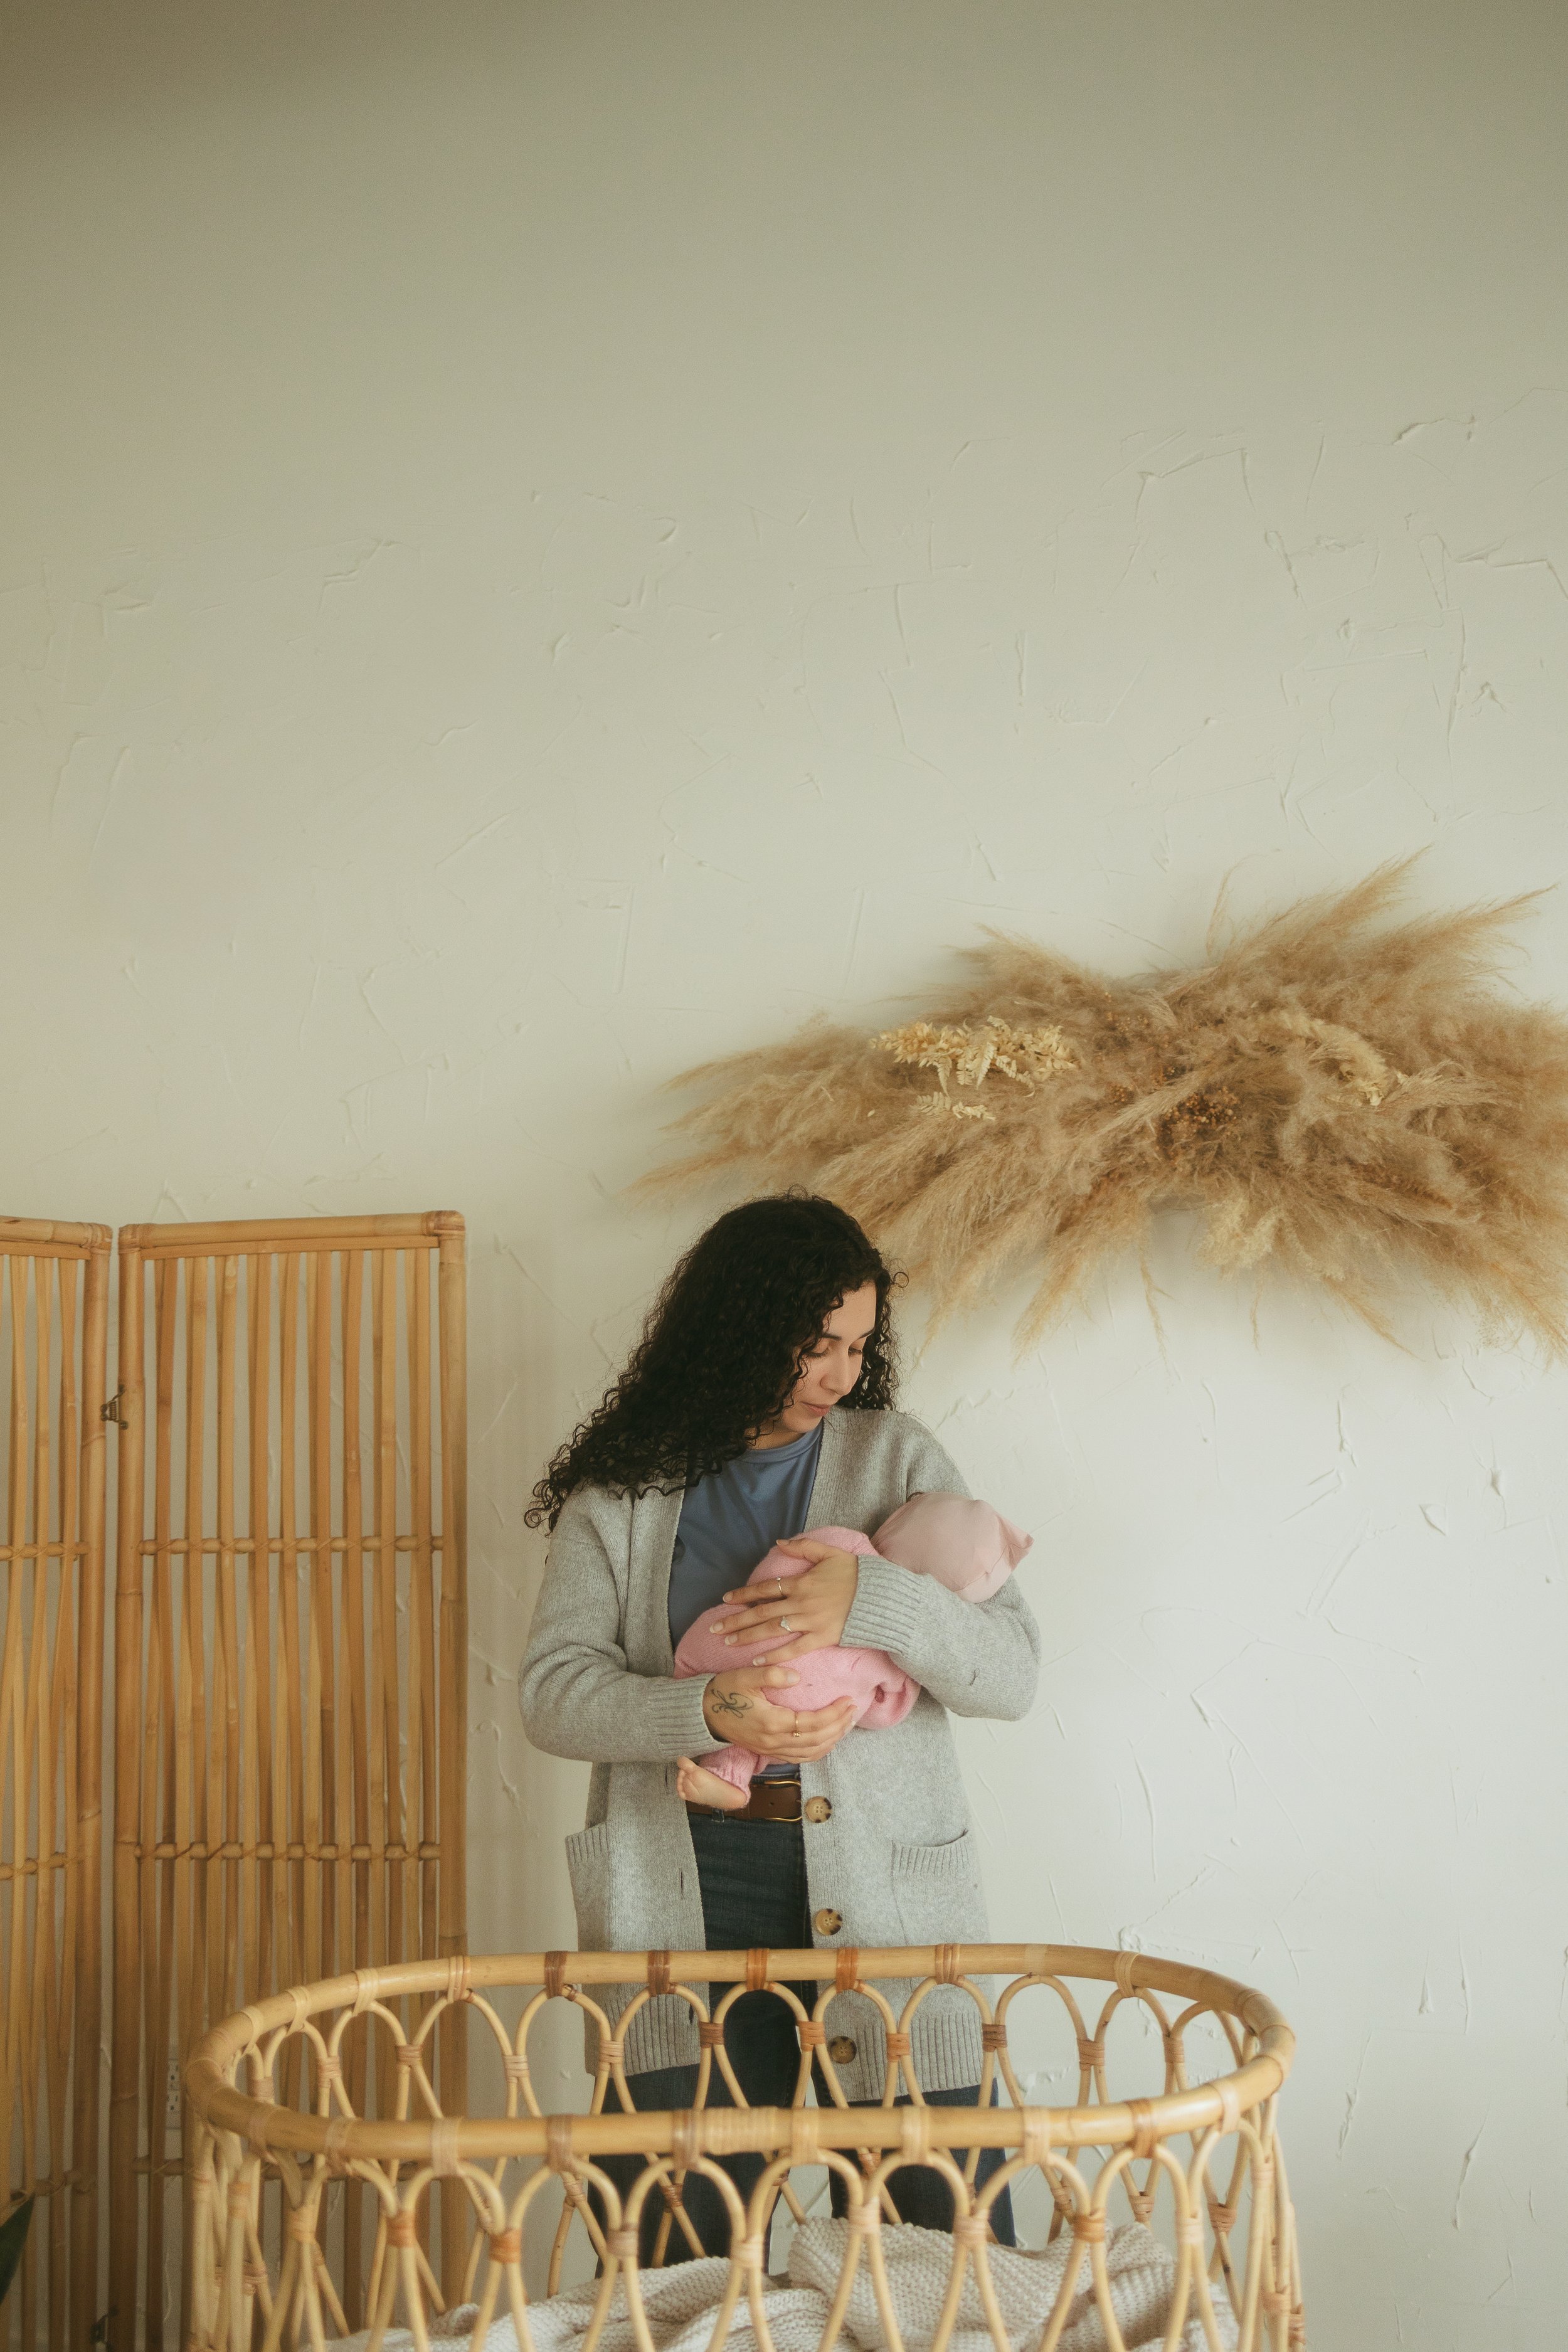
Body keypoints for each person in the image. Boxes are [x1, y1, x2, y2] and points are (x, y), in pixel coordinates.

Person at [519, 1193, 1041, 2259]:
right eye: (813, 1346)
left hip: (886, 1900)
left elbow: (1012, 1671)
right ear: (738, 1332)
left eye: (857, 1345)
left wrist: (869, 1600)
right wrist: (703, 1706)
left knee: (949, 2254)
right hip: (684, 1897)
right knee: (675, 2259)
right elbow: (553, 1691)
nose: (839, 1375)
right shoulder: (620, 1497)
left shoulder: (894, 1457)